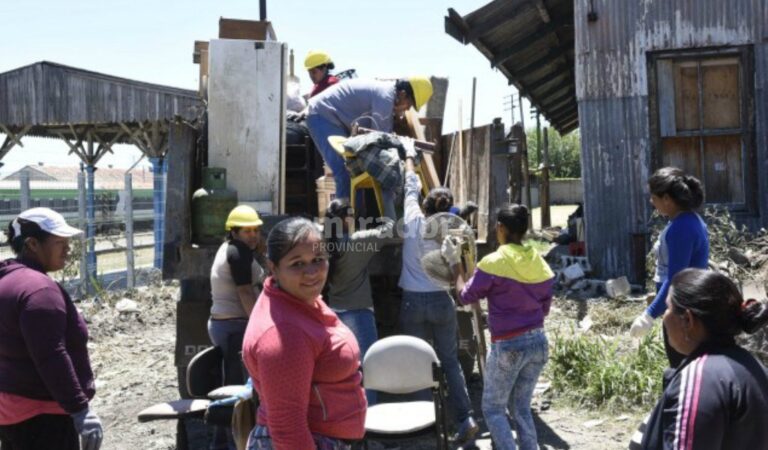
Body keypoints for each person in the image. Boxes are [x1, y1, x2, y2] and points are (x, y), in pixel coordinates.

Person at [242, 217, 365, 450]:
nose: (311, 272)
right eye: (297, 264)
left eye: (318, 260)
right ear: (273, 267)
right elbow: (288, 427)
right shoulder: (284, 334)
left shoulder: (301, 300)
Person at [447, 204, 554, 450]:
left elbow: (464, 296)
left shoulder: (493, 262)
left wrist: (455, 265)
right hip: (538, 342)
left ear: (500, 228)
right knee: (521, 408)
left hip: (509, 345)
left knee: (493, 409)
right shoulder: (539, 262)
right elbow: (545, 309)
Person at [0, 208, 102, 450]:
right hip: (44, 415)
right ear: (32, 244)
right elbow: (51, 355)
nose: (67, 248)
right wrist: (80, 411)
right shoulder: (39, 290)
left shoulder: (7, 281)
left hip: (11, 412)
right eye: (59, 242)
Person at [398, 145, 478, 444]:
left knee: (416, 361)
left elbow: (410, 186)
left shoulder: (413, 220)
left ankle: (424, 425)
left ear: (425, 206)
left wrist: (409, 157)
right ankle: (465, 418)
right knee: (450, 361)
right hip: (442, 301)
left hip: (413, 301)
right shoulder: (455, 232)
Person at [638, 268, 768, 449]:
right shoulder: (752, 366)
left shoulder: (700, 378)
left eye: (668, 308)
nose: (664, 318)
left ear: (688, 320)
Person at [306, 76, 433, 201]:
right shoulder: (385, 98)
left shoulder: (386, 94)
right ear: (403, 94)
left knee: (356, 172)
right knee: (344, 171)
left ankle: (355, 218)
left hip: (332, 117)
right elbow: (381, 141)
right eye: (409, 105)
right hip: (322, 115)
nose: (407, 109)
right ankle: (342, 219)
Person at [629, 167, 709, 367]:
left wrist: (649, 314)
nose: (651, 202)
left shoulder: (681, 227)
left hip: (682, 313)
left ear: (666, 199)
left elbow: (676, 278)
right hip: (687, 307)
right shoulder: (688, 221)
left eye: (653, 197)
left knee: (682, 368)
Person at [323, 199, 399, 404]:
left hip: (333, 313)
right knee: (369, 366)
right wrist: (386, 194)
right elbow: (391, 228)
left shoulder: (324, 243)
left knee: (342, 369)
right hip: (358, 313)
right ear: (347, 218)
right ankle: (371, 419)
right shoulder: (358, 241)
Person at [209, 205, 266, 383]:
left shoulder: (229, 248)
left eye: (256, 230)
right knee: (244, 383)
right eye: (247, 231)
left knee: (237, 379)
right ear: (234, 232)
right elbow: (245, 292)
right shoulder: (238, 253)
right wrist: (260, 327)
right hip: (235, 326)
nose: (253, 235)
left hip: (227, 324)